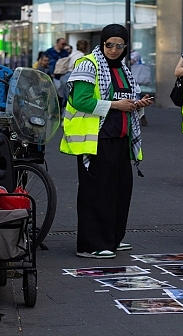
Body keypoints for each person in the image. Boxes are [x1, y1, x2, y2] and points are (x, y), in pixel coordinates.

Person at [60, 24, 153, 259]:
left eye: (119, 45)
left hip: (120, 136)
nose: (114, 49)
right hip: (96, 138)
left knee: (120, 190)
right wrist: (115, 105)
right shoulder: (88, 65)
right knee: (97, 192)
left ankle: (112, 238)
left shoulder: (122, 68)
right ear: (102, 44)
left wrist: (136, 104)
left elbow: (124, 99)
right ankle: (91, 244)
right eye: (109, 44)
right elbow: (80, 100)